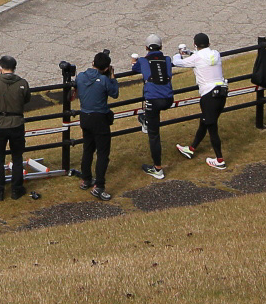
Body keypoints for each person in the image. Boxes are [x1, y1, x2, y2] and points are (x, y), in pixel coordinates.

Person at [0, 55, 39, 200]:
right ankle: (16, 189)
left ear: (0, 68)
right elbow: (26, 98)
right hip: (17, 123)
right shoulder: (22, 83)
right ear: (14, 68)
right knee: (17, 157)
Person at [171, 33, 228, 170]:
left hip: (208, 96)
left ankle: (220, 160)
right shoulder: (216, 54)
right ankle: (191, 148)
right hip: (222, 93)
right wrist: (190, 52)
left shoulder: (196, 57)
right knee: (205, 121)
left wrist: (179, 53)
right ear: (208, 44)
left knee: (212, 127)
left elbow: (177, 62)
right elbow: (201, 56)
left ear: (195, 44)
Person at [129, 34, 174, 180]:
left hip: (153, 100)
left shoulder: (143, 60)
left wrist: (134, 61)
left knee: (154, 135)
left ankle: (158, 169)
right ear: (161, 47)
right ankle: (146, 121)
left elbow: (135, 68)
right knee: (149, 120)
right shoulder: (167, 59)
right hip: (168, 99)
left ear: (146, 48)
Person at [74, 52, 118, 200]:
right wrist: (112, 77)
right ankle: (99, 186)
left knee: (88, 149)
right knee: (103, 153)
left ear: (92, 63)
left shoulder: (80, 76)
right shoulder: (105, 80)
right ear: (106, 68)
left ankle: (86, 178)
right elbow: (115, 93)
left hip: (84, 117)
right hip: (100, 119)